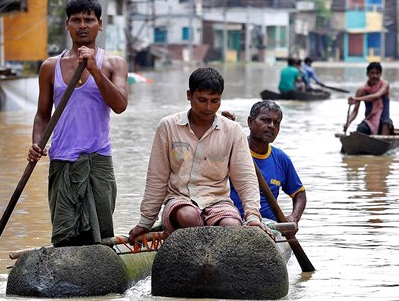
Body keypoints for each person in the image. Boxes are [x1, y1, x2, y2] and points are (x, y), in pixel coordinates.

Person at [27, 0, 129, 247]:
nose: (83, 25)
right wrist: (36, 143)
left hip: (98, 160)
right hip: (63, 160)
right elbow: (42, 114)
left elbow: (119, 105)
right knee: (64, 237)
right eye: (76, 20)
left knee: (101, 237)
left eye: (89, 19)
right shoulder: (50, 67)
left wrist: (94, 68)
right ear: (67, 25)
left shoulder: (114, 63)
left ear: (100, 24)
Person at [128, 67, 269, 243]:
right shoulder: (168, 126)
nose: (208, 107)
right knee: (188, 217)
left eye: (215, 101)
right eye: (202, 100)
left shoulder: (233, 130)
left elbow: (246, 179)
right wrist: (146, 221)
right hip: (179, 201)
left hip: (218, 202)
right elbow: (157, 177)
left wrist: (253, 218)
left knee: (232, 225)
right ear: (189, 95)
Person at [229, 100, 306, 235]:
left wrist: (294, 218)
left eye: (276, 123)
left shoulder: (281, 159)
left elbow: (299, 193)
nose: (271, 126)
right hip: (232, 220)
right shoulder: (232, 150)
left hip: (268, 225)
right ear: (250, 122)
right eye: (265, 120)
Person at [344, 62, 393, 135]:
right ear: (367, 74)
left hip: (383, 120)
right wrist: (348, 123)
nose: (375, 76)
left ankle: (383, 144)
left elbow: (377, 95)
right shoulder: (361, 90)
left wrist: (357, 99)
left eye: (377, 73)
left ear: (380, 74)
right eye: (372, 73)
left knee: (386, 124)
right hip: (369, 121)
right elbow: (355, 111)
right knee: (361, 128)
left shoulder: (385, 85)